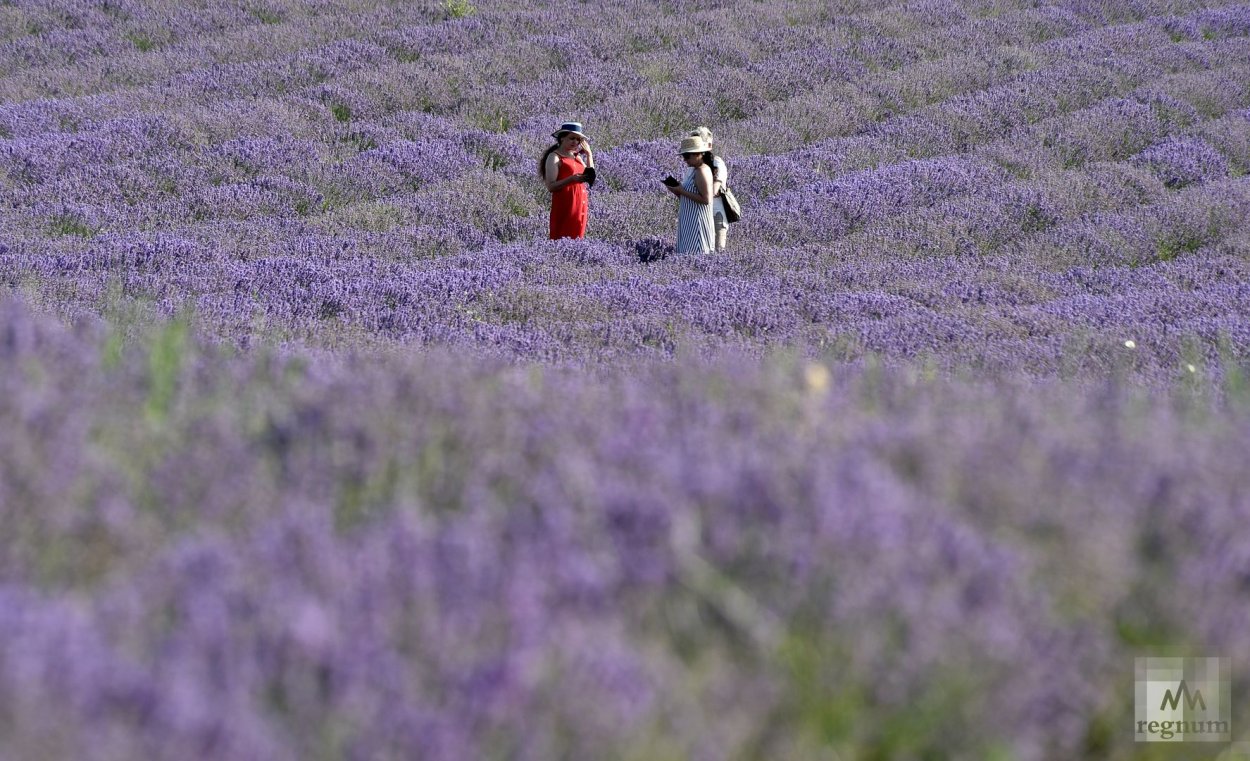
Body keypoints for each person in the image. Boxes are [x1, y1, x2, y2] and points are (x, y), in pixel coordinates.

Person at [539, 121, 594, 240]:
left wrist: (589, 155)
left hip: (580, 202)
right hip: (566, 203)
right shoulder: (554, 157)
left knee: (578, 236)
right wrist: (572, 179)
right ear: (562, 138)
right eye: (572, 138)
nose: (576, 142)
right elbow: (551, 186)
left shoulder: (577, 156)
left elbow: (591, 176)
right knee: (563, 236)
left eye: (578, 140)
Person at [665, 135, 717, 255]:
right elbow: (690, 197)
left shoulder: (702, 171)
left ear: (697, 154)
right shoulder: (694, 170)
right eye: (684, 156)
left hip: (697, 223)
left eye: (686, 156)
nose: (684, 160)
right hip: (689, 221)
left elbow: (706, 200)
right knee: (686, 255)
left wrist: (681, 191)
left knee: (696, 255)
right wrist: (676, 191)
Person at [689, 126, 729, 250]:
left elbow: (713, 191)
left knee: (718, 251)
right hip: (698, 216)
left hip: (716, 215)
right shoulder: (692, 166)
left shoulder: (717, 163)